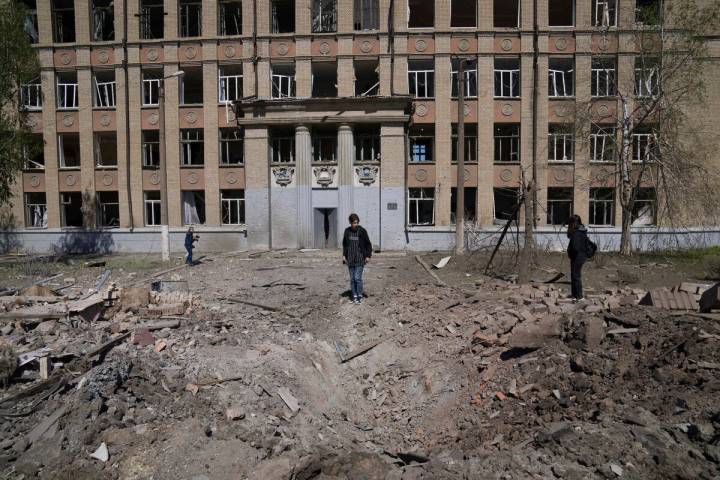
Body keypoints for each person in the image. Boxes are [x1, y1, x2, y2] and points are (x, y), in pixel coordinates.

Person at [342, 213, 372, 304]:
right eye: (354, 223)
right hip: (350, 258)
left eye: (357, 222)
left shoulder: (362, 231)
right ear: (350, 223)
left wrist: (368, 256)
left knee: (357, 278)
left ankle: (360, 295)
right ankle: (354, 295)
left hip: (360, 258)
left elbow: (368, 244)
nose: (356, 224)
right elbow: (345, 244)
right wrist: (344, 255)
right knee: (352, 279)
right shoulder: (347, 231)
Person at [566, 215, 589, 300]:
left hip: (578, 256)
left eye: (570, 223)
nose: (569, 225)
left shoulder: (577, 233)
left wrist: (570, 251)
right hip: (579, 256)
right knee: (573, 275)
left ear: (573, 223)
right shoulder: (580, 230)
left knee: (576, 276)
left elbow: (576, 247)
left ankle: (579, 296)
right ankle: (574, 295)